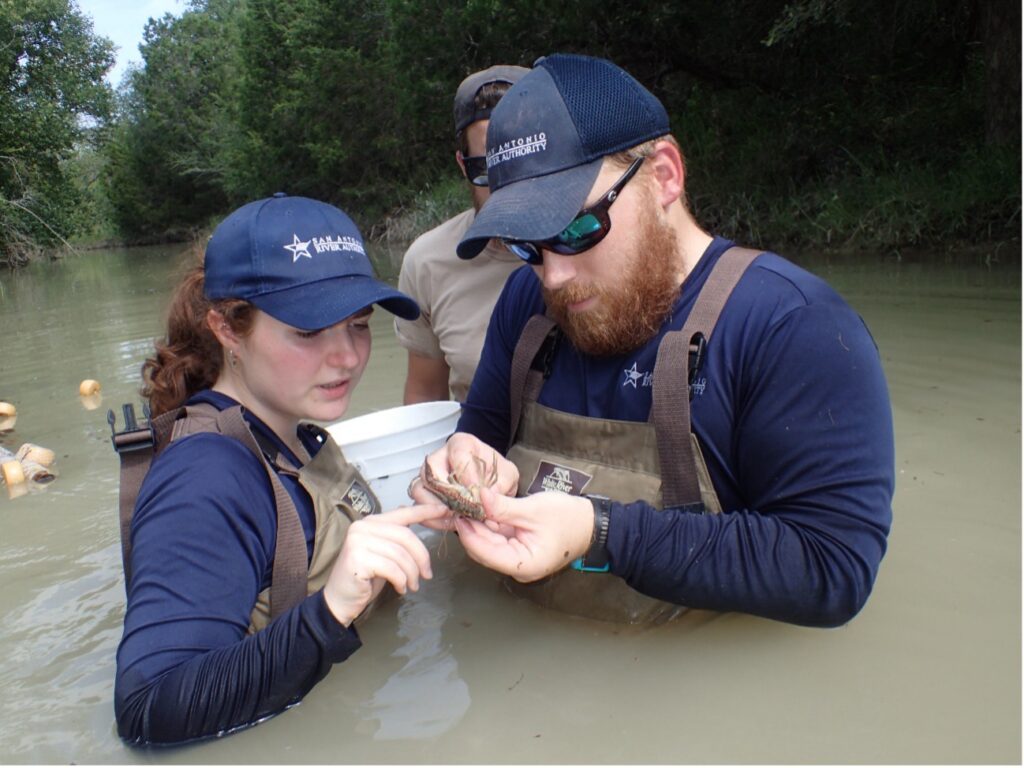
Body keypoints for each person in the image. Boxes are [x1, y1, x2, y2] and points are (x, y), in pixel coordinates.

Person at [411, 53, 895, 627]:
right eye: (525, 243)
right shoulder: (525, 301)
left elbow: (831, 568)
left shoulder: (794, 327)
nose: (552, 276)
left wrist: (602, 532)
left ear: (664, 175)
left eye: (575, 229)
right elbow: (482, 435)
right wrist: (466, 464)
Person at [114, 194, 448, 745]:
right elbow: (149, 711)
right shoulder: (206, 478)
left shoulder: (289, 428)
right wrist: (330, 610)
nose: (346, 357)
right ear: (226, 329)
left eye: (359, 325)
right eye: (309, 332)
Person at [394, 65, 527, 403]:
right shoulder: (427, 262)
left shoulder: (594, 241)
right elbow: (425, 393)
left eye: (520, 164)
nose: (504, 185)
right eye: (486, 168)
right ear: (462, 165)